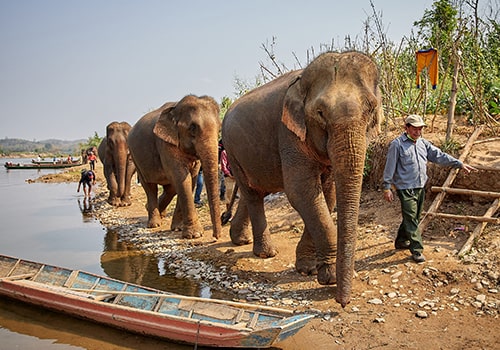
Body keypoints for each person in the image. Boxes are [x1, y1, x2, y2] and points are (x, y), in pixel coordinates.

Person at [382, 114, 477, 263]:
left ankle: (401, 241)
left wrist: (458, 163)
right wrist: (386, 187)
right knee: (412, 219)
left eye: (420, 129)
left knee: (413, 217)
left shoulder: (423, 143)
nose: (418, 132)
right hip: (405, 188)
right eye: (414, 129)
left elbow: (439, 156)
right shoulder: (397, 144)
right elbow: (389, 167)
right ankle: (417, 250)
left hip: (420, 186)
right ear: (406, 128)